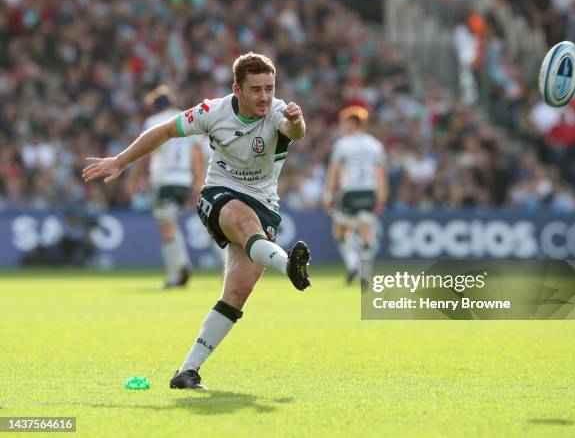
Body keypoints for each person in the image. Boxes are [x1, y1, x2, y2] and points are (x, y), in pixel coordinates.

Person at [82, 52, 311, 390]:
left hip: (265, 202)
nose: (265, 96)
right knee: (241, 219)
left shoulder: (278, 111)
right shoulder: (212, 111)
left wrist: (297, 120)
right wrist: (120, 160)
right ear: (237, 89)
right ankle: (287, 263)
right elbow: (163, 131)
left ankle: (187, 372)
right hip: (219, 194)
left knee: (237, 292)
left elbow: (296, 131)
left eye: (269, 88)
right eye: (256, 89)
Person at [128, 85, 205, 289]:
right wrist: (198, 181)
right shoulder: (187, 118)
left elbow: (145, 152)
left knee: (166, 228)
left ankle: (176, 271)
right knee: (171, 222)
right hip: (185, 180)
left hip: (164, 180)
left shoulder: (153, 122)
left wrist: (134, 179)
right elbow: (196, 154)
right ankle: (181, 264)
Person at [322, 105, 388, 284]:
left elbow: (333, 172)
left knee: (340, 230)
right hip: (369, 191)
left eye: (344, 122)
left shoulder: (342, 145)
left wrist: (327, 195)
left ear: (352, 123)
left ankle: (352, 265)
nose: (342, 126)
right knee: (367, 231)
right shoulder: (375, 145)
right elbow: (381, 174)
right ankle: (365, 273)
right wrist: (381, 197)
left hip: (349, 192)